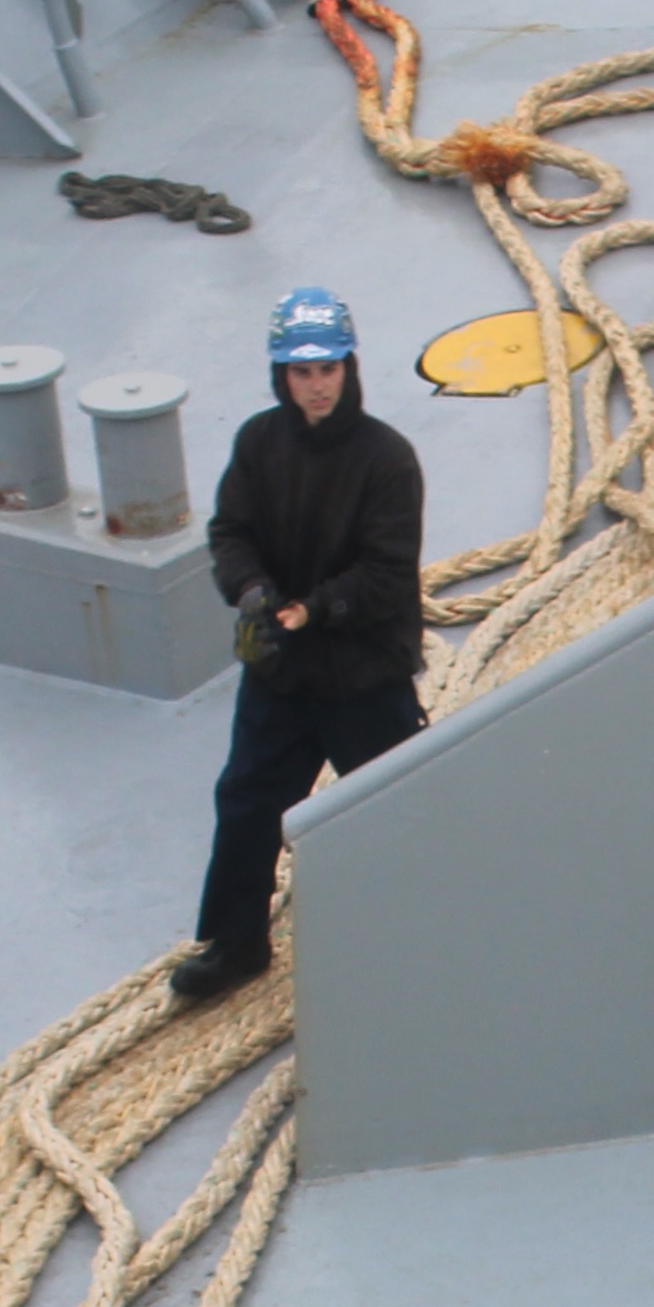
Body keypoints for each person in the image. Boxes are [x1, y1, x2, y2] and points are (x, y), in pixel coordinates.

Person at [183, 287, 432, 1003]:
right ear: (281, 377)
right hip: (283, 677)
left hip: (365, 678)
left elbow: (387, 574)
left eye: (328, 368)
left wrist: (314, 610)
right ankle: (235, 945)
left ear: (349, 368)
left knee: (387, 817)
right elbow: (230, 534)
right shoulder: (258, 444)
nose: (316, 385)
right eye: (301, 372)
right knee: (247, 802)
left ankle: (408, 942)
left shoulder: (388, 460)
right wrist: (253, 593)